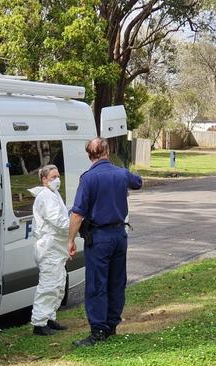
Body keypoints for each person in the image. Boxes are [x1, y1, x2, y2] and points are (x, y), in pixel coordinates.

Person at [68, 138, 142, 347]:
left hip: (99, 238)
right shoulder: (120, 173)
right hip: (119, 235)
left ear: (89, 155)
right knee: (117, 282)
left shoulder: (89, 179)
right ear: (107, 152)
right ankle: (111, 325)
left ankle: (98, 330)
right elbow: (138, 182)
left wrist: (71, 240)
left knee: (97, 284)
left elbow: (77, 214)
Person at [27, 164, 70, 336]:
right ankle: (39, 323)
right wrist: (76, 225)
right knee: (48, 285)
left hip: (56, 248)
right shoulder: (45, 196)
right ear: (44, 180)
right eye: (53, 177)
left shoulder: (53, 194)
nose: (57, 180)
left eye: (58, 176)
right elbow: (58, 221)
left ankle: (49, 318)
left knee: (58, 284)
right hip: (49, 248)